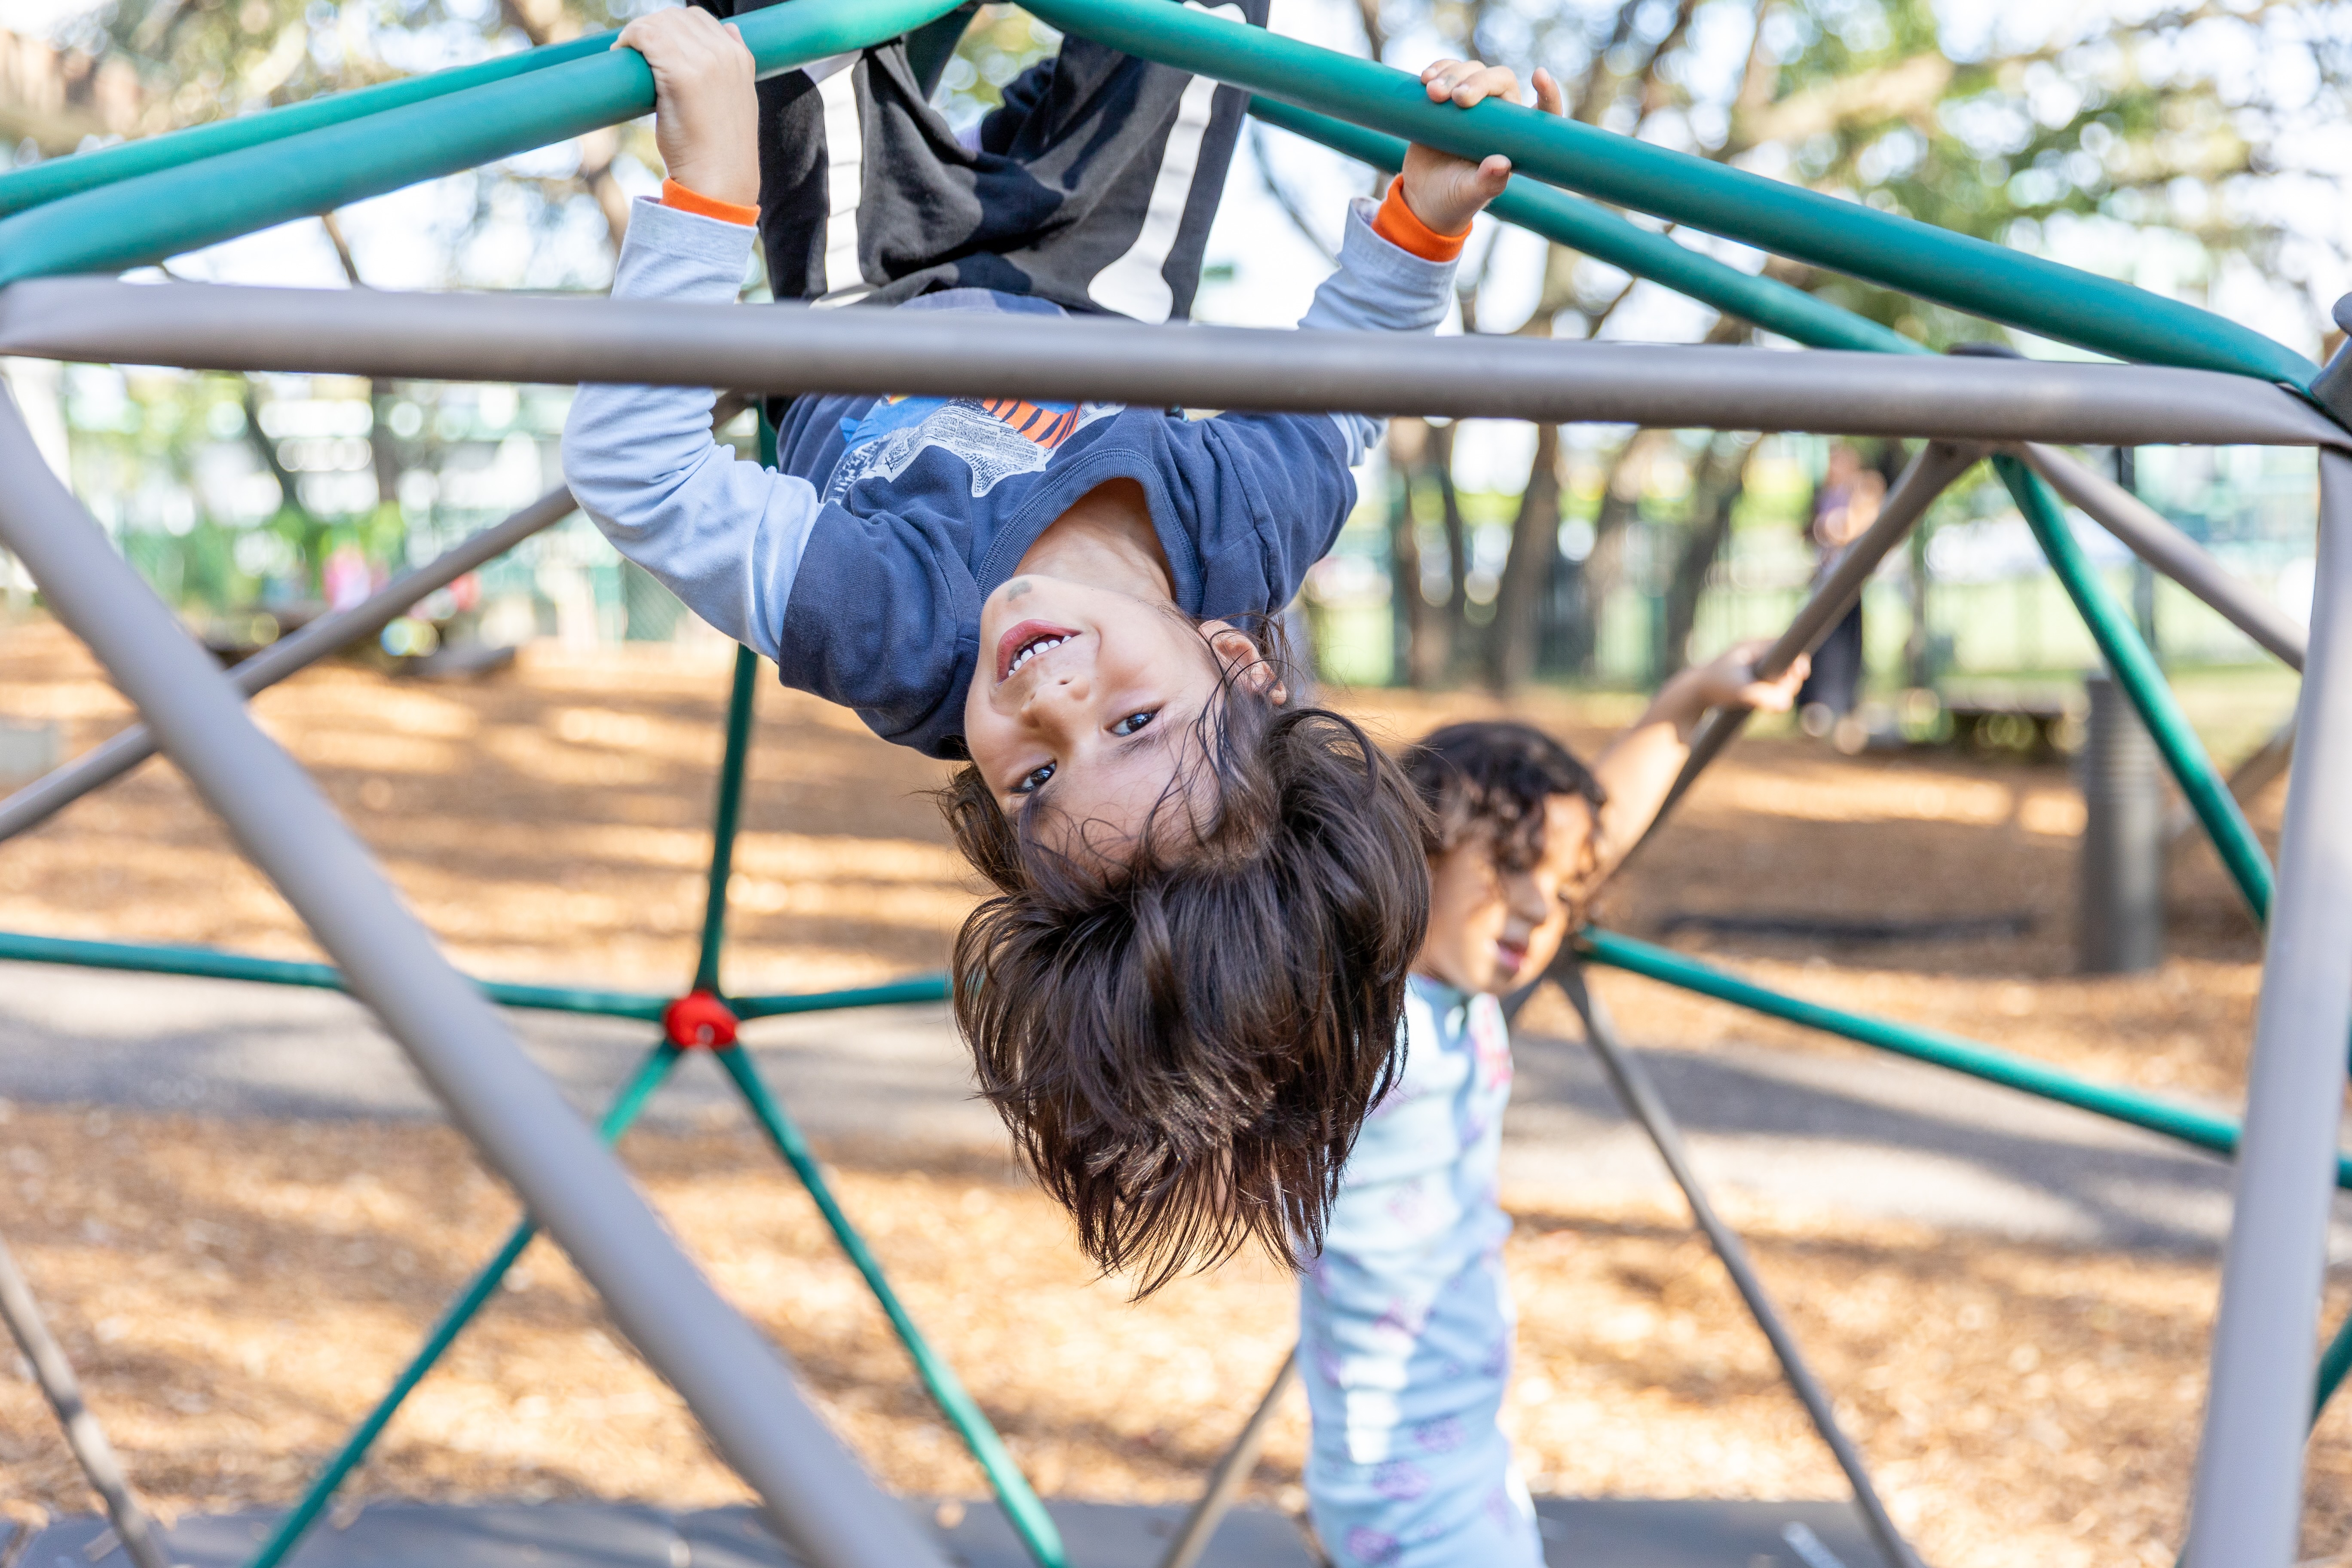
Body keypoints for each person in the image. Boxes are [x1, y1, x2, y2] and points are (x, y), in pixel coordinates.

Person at [563, 7, 1565, 1289]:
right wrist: (1424, 219)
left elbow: (633, 472)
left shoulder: (895, 630)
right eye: (1134, 725)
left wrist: (705, 199)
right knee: (1209, 24)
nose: (1050, 701)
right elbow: (1358, 372)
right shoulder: (1249, 524)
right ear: (1236, 659)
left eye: (1034, 777)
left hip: (871, 299)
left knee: (774, 33)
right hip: (1100, 285)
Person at [1299, 643, 1807, 1568]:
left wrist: (1684, 700)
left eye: (1565, 888)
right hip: (1397, 1470)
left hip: (1464, 1445)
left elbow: (1599, 832)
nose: (1540, 907)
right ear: (1419, 854)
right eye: (1513, 868)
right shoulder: (1367, 1015)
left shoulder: (1461, 997)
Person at [1795, 442, 1885, 742]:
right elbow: (1808, 531)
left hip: (1847, 585)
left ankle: (1845, 710)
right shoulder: (1822, 493)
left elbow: (1859, 526)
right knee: (1819, 645)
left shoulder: (1864, 489)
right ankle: (1817, 708)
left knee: (1845, 649)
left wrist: (1837, 527)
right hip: (1822, 582)